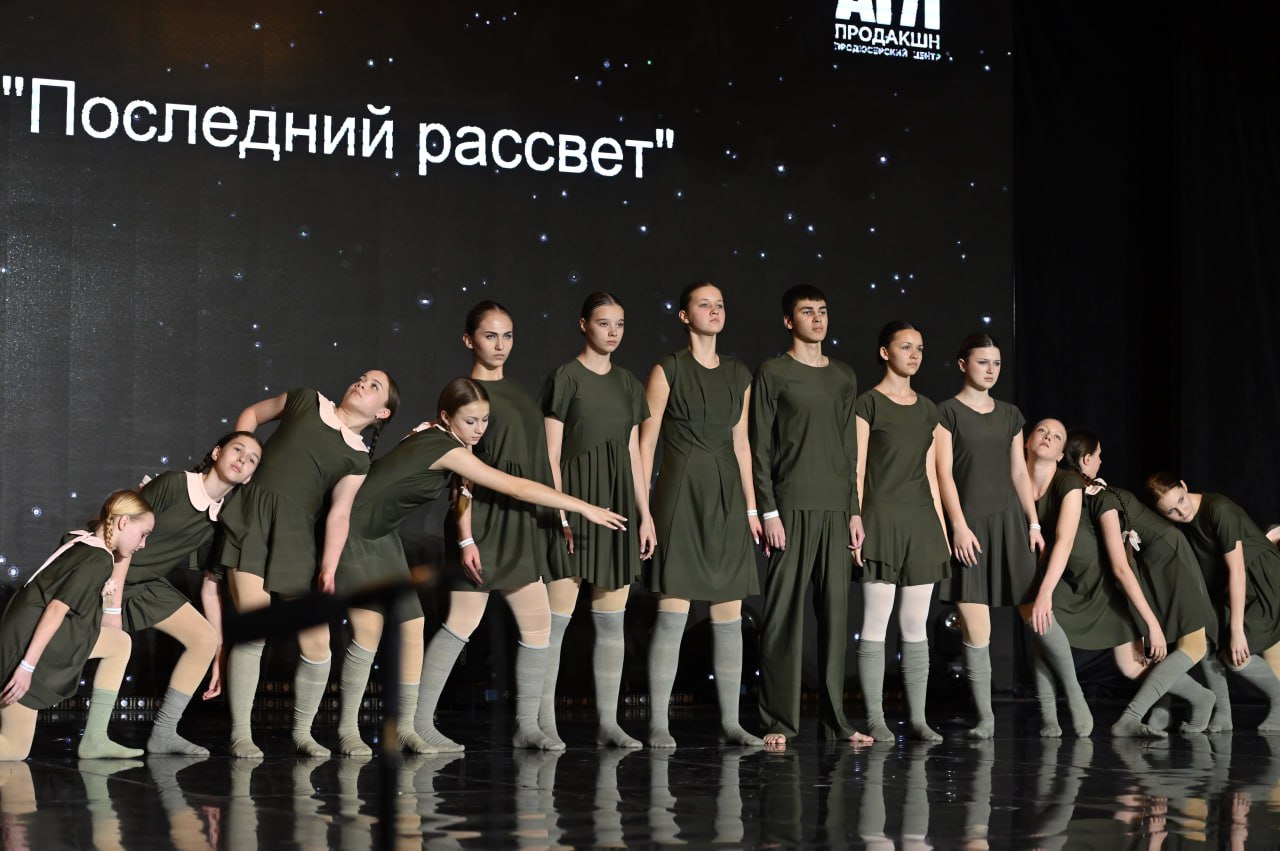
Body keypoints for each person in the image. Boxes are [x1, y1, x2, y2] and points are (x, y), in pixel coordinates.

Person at [333, 374, 627, 756]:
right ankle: (350, 730)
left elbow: (461, 489)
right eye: (470, 421)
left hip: (383, 535)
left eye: (485, 420)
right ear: (447, 416)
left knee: (413, 622)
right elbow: (517, 486)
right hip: (353, 529)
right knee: (370, 630)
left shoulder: (444, 439)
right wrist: (583, 507)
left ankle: (410, 728)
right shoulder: (445, 447)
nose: (479, 429)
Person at [218, 371, 399, 757]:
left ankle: (302, 733)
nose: (361, 383)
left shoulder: (358, 458)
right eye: (363, 378)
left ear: (382, 413)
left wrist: (328, 567)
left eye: (374, 386)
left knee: (319, 643)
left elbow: (339, 515)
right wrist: (244, 459)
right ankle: (240, 735)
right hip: (253, 520)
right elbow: (252, 414)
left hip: (298, 539)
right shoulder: (306, 399)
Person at [637, 282, 763, 747]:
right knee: (674, 609)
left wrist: (751, 507)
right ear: (684, 315)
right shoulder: (668, 369)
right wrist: (644, 511)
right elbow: (646, 444)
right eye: (704, 304)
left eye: (720, 305)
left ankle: (732, 721)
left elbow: (742, 443)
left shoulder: (738, 372)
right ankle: (658, 722)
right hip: (681, 493)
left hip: (727, 495)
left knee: (729, 610)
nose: (714, 311)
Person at [750, 285, 871, 747]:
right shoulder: (773, 371)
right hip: (790, 506)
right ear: (789, 321)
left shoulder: (843, 376)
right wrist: (768, 510)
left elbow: (848, 450)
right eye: (807, 312)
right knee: (782, 617)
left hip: (836, 510)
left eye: (822, 311)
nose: (817, 319)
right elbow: (759, 447)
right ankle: (778, 721)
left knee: (836, 618)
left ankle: (836, 721)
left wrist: (854, 510)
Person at [541, 292, 655, 748]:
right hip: (573, 505)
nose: (613, 332)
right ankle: (542, 723)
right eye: (604, 323)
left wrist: (645, 514)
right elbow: (551, 455)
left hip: (617, 505)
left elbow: (633, 454)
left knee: (611, 621)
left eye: (620, 324)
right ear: (584, 324)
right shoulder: (566, 377)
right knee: (554, 625)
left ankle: (610, 723)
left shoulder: (628, 382)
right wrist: (562, 513)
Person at [116, 432, 262, 756]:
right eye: (237, 450)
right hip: (109, 574)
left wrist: (218, 656)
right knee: (76, 645)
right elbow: (118, 534)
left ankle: (164, 733)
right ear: (217, 452)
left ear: (249, 476)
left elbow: (211, 589)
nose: (242, 459)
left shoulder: (219, 522)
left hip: (145, 584)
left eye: (251, 459)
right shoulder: (173, 484)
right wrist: (111, 598)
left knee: (205, 639)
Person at [1063, 432, 1217, 736]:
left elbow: (1121, 563)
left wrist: (1151, 625)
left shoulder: (1101, 496)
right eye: (1099, 455)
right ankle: (1170, 707)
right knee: (1136, 659)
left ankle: (1143, 714)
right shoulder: (1092, 497)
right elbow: (1120, 566)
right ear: (1086, 460)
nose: (1101, 461)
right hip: (1154, 563)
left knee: (1193, 643)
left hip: (1167, 556)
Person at [934, 333, 1042, 738]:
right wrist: (958, 525)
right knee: (977, 629)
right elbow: (943, 474)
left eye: (996, 363)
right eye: (983, 362)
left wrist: (1033, 522)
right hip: (971, 527)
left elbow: (1019, 473)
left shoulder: (1011, 414)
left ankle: (1064, 709)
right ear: (963, 365)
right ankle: (986, 717)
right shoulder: (947, 412)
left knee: (1040, 616)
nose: (991, 370)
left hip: (1010, 523)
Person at [0, 490, 154, 760]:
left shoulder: (80, 541)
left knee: (119, 644)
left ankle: (95, 738)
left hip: (28, 637)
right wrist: (26, 668)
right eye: (143, 534)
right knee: (15, 749)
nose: (143, 544)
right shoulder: (98, 560)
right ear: (123, 522)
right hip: (27, 649)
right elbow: (56, 610)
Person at [854, 321, 951, 742]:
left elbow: (931, 474)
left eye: (920, 348)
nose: (914, 355)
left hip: (921, 522)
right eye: (906, 347)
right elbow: (857, 470)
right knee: (876, 621)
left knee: (915, 624)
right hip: (880, 519)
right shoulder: (868, 404)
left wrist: (942, 529)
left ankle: (917, 718)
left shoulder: (929, 409)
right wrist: (855, 519)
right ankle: (875, 718)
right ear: (885, 352)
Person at [1148, 473, 1280, 731]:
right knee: (1207, 633)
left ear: (1184, 486)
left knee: (1235, 654)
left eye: (1181, 500)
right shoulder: (1181, 524)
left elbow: (1237, 571)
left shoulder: (1219, 509)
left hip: (1264, 583)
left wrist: (1237, 629)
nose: (1182, 512)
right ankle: (1223, 713)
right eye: (1171, 511)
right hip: (1231, 589)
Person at [1022, 420, 1097, 736]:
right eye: (1041, 431)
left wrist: (1045, 593)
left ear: (1061, 453)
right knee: (1040, 634)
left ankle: (1073, 693)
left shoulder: (1068, 483)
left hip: (1072, 567)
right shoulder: (1014, 477)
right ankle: (1048, 715)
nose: (1047, 437)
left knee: (1040, 620)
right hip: (1030, 563)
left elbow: (1065, 542)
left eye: (1056, 436)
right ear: (1026, 440)